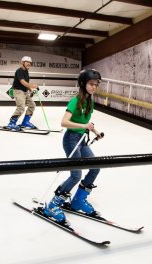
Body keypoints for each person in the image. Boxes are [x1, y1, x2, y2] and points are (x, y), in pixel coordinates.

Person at [43, 69, 104, 223]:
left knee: (95, 167)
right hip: (71, 139)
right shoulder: (75, 100)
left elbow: (86, 123)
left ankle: (78, 201)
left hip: (82, 139)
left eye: (96, 84)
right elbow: (64, 122)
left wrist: (95, 131)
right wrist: (84, 125)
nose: (94, 87)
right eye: (91, 84)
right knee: (76, 175)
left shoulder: (90, 100)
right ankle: (53, 205)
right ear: (83, 84)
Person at [6, 56, 39, 130]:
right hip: (18, 91)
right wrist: (32, 85)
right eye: (27, 62)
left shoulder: (26, 71)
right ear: (23, 62)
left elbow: (26, 82)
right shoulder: (19, 70)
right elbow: (22, 81)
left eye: (30, 62)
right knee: (21, 107)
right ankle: (11, 123)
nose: (29, 63)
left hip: (24, 92)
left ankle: (25, 122)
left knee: (32, 105)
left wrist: (30, 89)